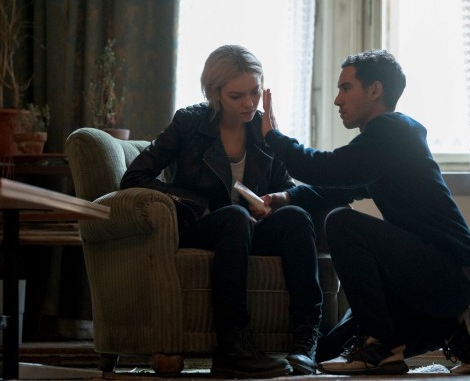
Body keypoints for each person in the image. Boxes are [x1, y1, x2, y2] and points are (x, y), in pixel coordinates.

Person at [259, 49, 470, 375]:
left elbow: (326, 168)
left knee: (342, 222)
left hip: (448, 270)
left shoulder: (391, 131)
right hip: (429, 279)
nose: (337, 100)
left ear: (375, 90)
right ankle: (453, 329)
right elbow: (336, 188)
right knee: (328, 351)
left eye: (346, 88)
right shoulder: (383, 146)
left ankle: (377, 344)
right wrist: (286, 196)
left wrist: (273, 137)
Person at [120, 45, 323, 378]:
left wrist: (275, 200)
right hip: (200, 226)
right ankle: (233, 348)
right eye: (237, 96)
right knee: (234, 217)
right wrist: (197, 205)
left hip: (246, 230)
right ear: (214, 93)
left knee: (296, 218)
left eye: (255, 92)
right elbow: (134, 178)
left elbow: (287, 187)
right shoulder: (189, 123)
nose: (249, 103)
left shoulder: (263, 129)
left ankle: (306, 341)